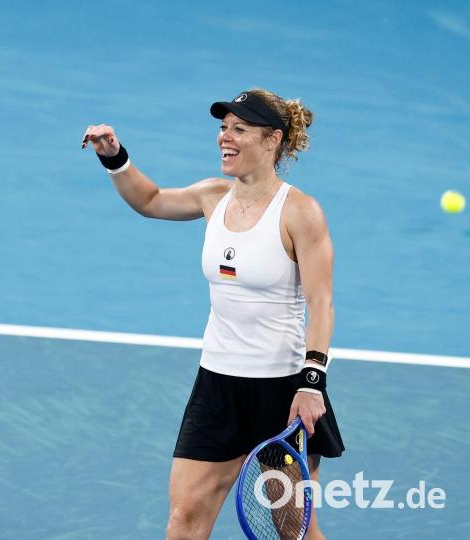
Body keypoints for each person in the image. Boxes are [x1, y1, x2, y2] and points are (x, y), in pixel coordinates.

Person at [82, 89, 344, 539]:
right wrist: (114, 157)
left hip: (281, 391)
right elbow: (150, 200)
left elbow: (322, 303)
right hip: (217, 386)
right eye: (224, 127)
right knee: (184, 520)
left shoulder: (301, 212)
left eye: (240, 129)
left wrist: (311, 382)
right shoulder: (213, 196)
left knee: (292, 530)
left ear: (272, 140)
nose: (226, 136)